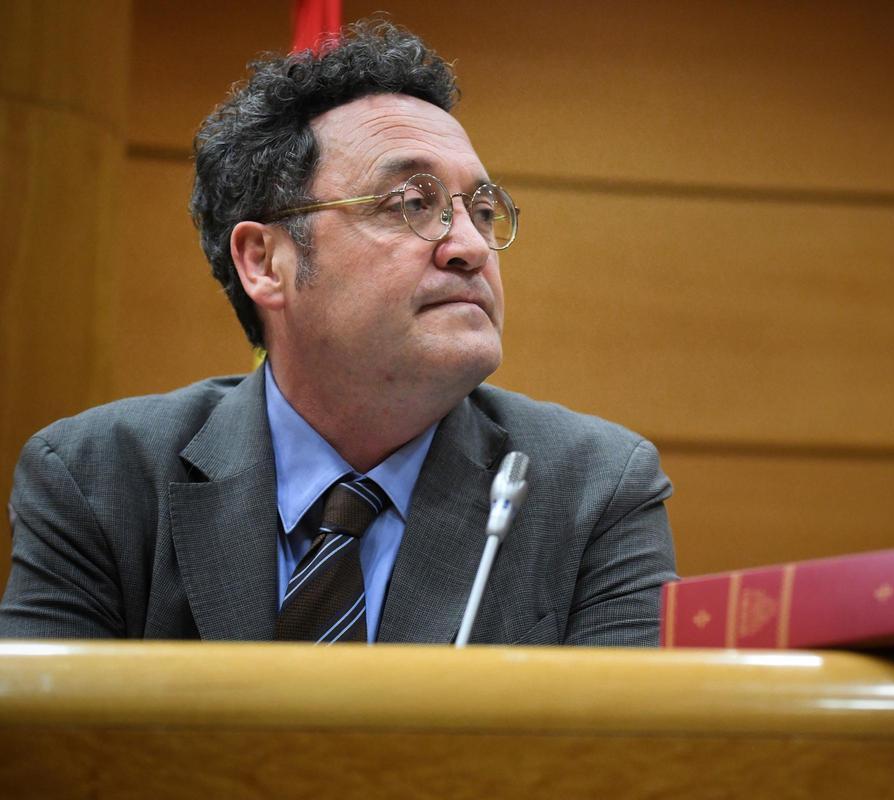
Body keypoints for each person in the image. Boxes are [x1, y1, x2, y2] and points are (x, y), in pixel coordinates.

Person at [0, 20, 676, 645]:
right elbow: (51, 760)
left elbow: (625, 767)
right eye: (414, 204)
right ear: (266, 262)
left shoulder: (596, 490)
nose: (470, 246)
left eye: (481, 209)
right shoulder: (98, 479)